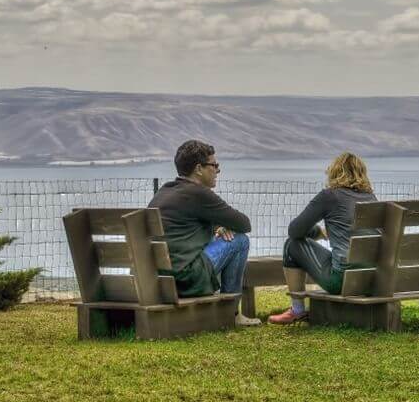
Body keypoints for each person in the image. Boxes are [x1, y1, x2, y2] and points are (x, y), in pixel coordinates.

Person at [148, 139, 260, 326]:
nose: (217, 170)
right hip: (186, 279)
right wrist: (221, 225)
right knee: (240, 241)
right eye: (214, 165)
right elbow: (243, 224)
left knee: (230, 238)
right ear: (199, 169)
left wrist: (217, 226)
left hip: (157, 281)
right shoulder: (199, 194)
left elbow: (187, 221)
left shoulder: (164, 192)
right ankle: (231, 314)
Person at [269, 152, 378, 324]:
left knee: (291, 245)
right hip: (373, 279)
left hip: (342, 281)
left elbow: (295, 230)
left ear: (334, 172)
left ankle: (297, 310)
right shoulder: (371, 198)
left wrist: (318, 232)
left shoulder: (330, 196)